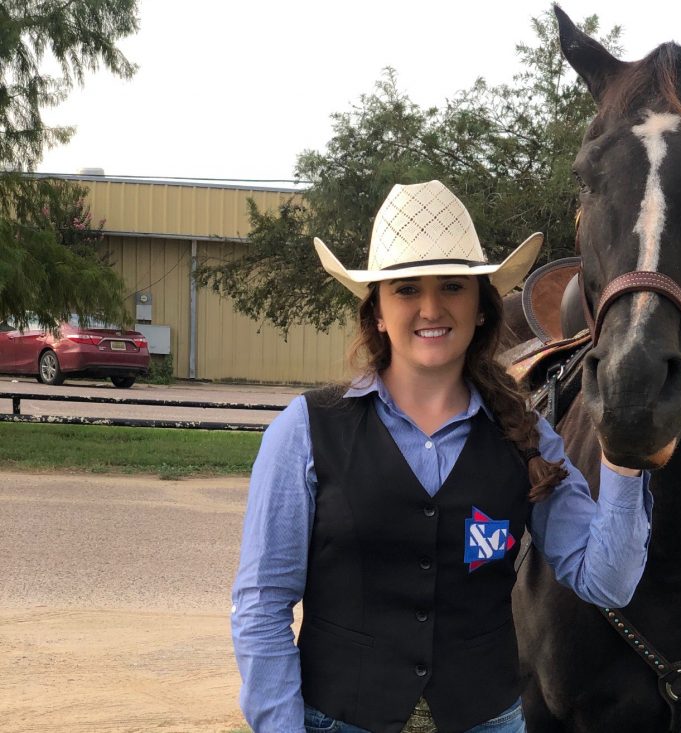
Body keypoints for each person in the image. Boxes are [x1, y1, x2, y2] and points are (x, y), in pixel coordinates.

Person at [230, 180, 653, 733]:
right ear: (377, 312)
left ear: (480, 307)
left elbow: (606, 582)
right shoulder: (305, 431)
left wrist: (623, 458)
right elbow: (262, 605)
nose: (431, 307)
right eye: (406, 289)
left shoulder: (526, 437)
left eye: (453, 286)